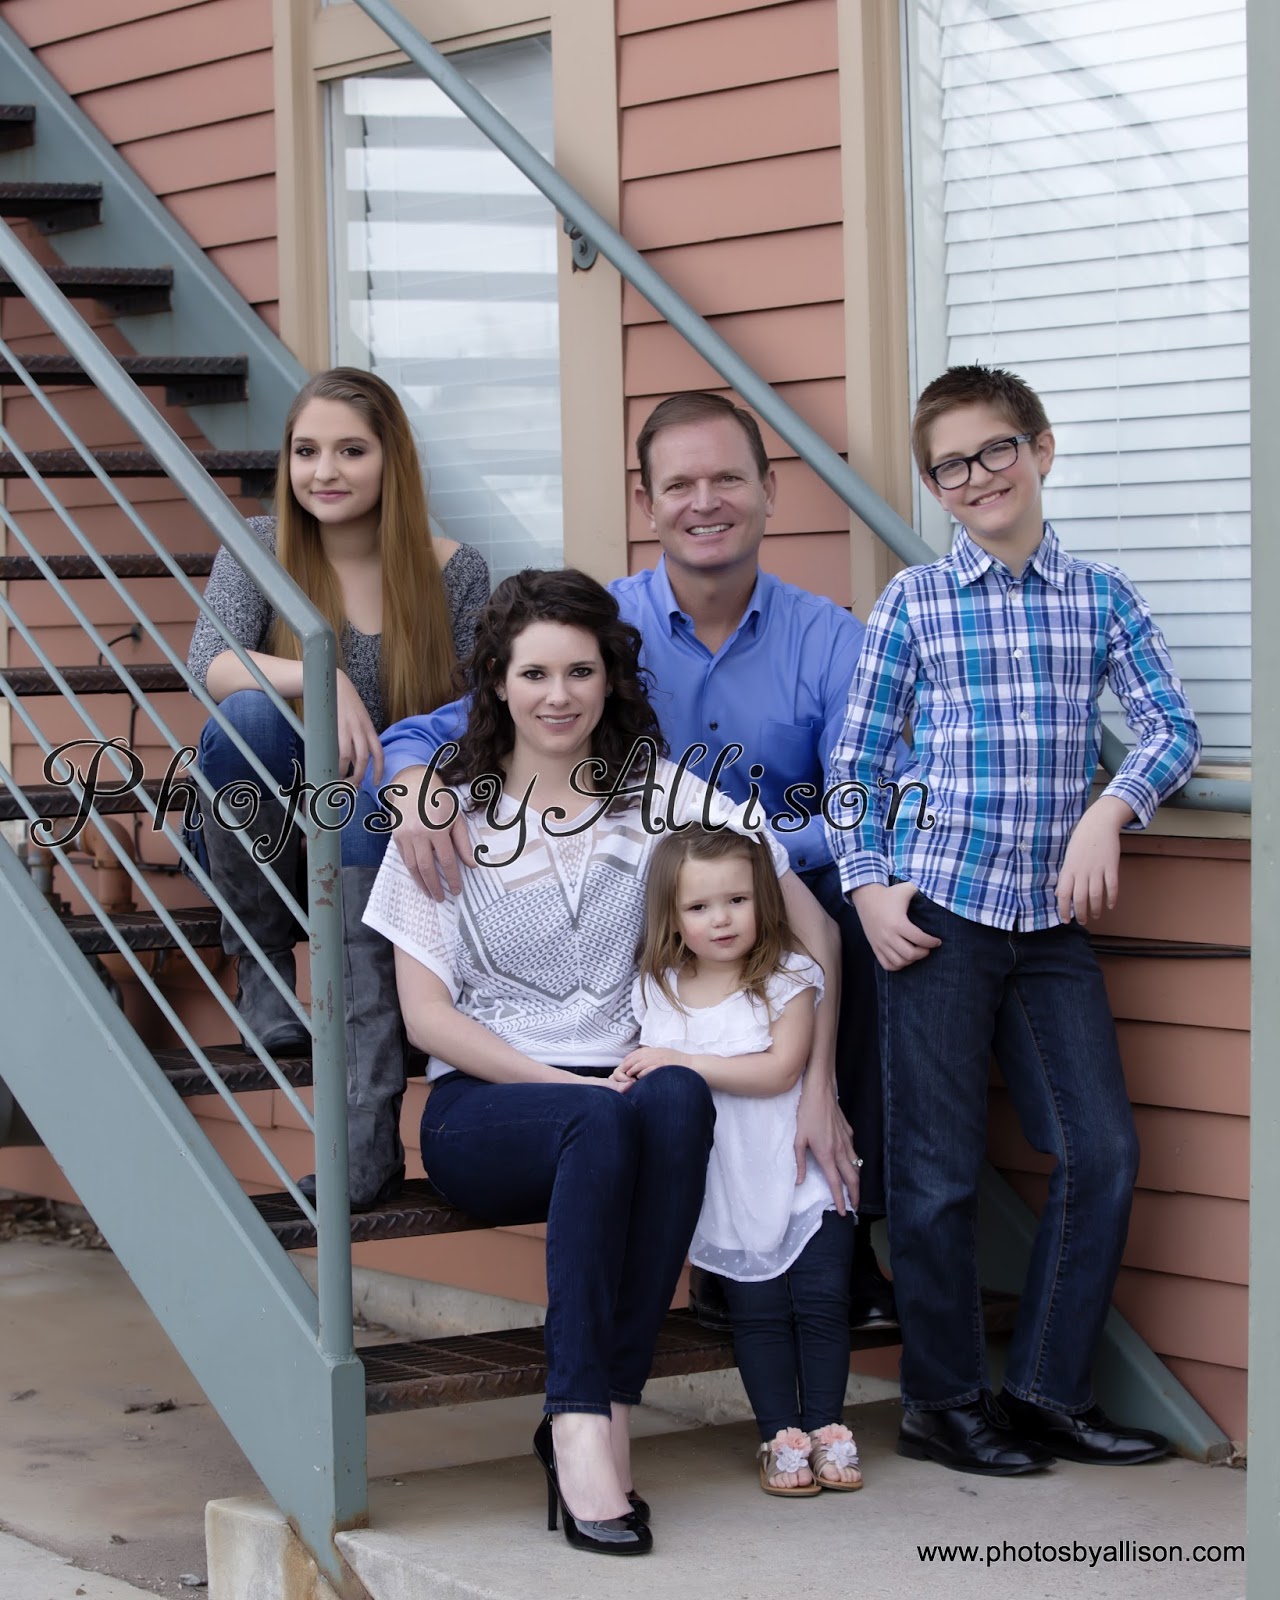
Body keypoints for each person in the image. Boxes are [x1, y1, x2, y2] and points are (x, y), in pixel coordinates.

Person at [377, 392, 892, 1326]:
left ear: (769, 491)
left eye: (728, 478)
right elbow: (441, 727)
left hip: (767, 890)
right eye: (680, 484)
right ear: (647, 503)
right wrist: (415, 785)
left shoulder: (829, 639)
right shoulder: (596, 630)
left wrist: (753, 859)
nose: (706, 502)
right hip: (644, 928)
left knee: (847, 916)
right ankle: (713, 1253)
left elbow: (874, 798)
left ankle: (828, 1231)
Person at [361, 568, 840, 1554]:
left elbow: (812, 929)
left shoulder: (660, 797)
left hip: (627, 1091)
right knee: (610, 1111)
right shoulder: (450, 810)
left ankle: (600, 1409)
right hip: (483, 1108)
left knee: (675, 1096)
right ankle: (581, 1415)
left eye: (580, 670)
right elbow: (427, 1017)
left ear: (610, 678)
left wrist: (818, 1087)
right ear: (496, 682)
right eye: (534, 673)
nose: (558, 695)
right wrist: (567, 1087)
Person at [827, 363, 1201, 1475]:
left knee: (1101, 1151)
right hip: (936, 912)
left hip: (1050, 922)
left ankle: (1044, 1390)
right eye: (951, 465)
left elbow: (1169, 727)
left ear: (1039, 449)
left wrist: (1110, 810)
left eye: (996, 449)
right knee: (935, 1173)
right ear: (934, 487)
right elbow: (852, 762)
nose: (978, 476)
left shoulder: (1100, 596)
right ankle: (943, 1403)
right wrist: (866, 884)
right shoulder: (914, 602)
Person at [186, 366, 489, 1208]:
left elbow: (479, 705)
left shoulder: (455, 570)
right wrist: (324, 675)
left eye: (351, 451)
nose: (325, 471)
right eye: (306, 451)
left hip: (388, 822)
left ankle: (365, 1138)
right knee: (246, 715)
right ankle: (260, 968)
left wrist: (408, 766)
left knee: (362, 798)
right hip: (270, 824)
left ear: (392, 461)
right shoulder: (258, 544)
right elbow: (209, 662)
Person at [619, 824, 861, 1498]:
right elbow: (641, 1073)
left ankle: (828, 1429)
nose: (721, 919)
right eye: (699, 907)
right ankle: (780, 1436)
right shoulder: (656, 989)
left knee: (821, 1303)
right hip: (727, 1186)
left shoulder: (788, 977)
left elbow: (780, 1071)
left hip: (800, 1172)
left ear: (764, 901)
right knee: (757, 1315)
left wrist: (681, 1062)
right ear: (672, 917)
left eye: (736, 900)